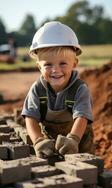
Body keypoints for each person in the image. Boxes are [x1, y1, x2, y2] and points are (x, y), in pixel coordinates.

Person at [21, 21, 94, 158]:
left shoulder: (80, 89)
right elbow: (30, 117)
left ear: (74, 63)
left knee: (86, 168)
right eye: (48, 64)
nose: (56, 70)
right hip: (49, 141)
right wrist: (38, 141)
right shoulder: (37, 89)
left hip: (80, 139)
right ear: (39, 67)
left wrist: (73, 139)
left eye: (63, 63)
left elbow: (82, 117)